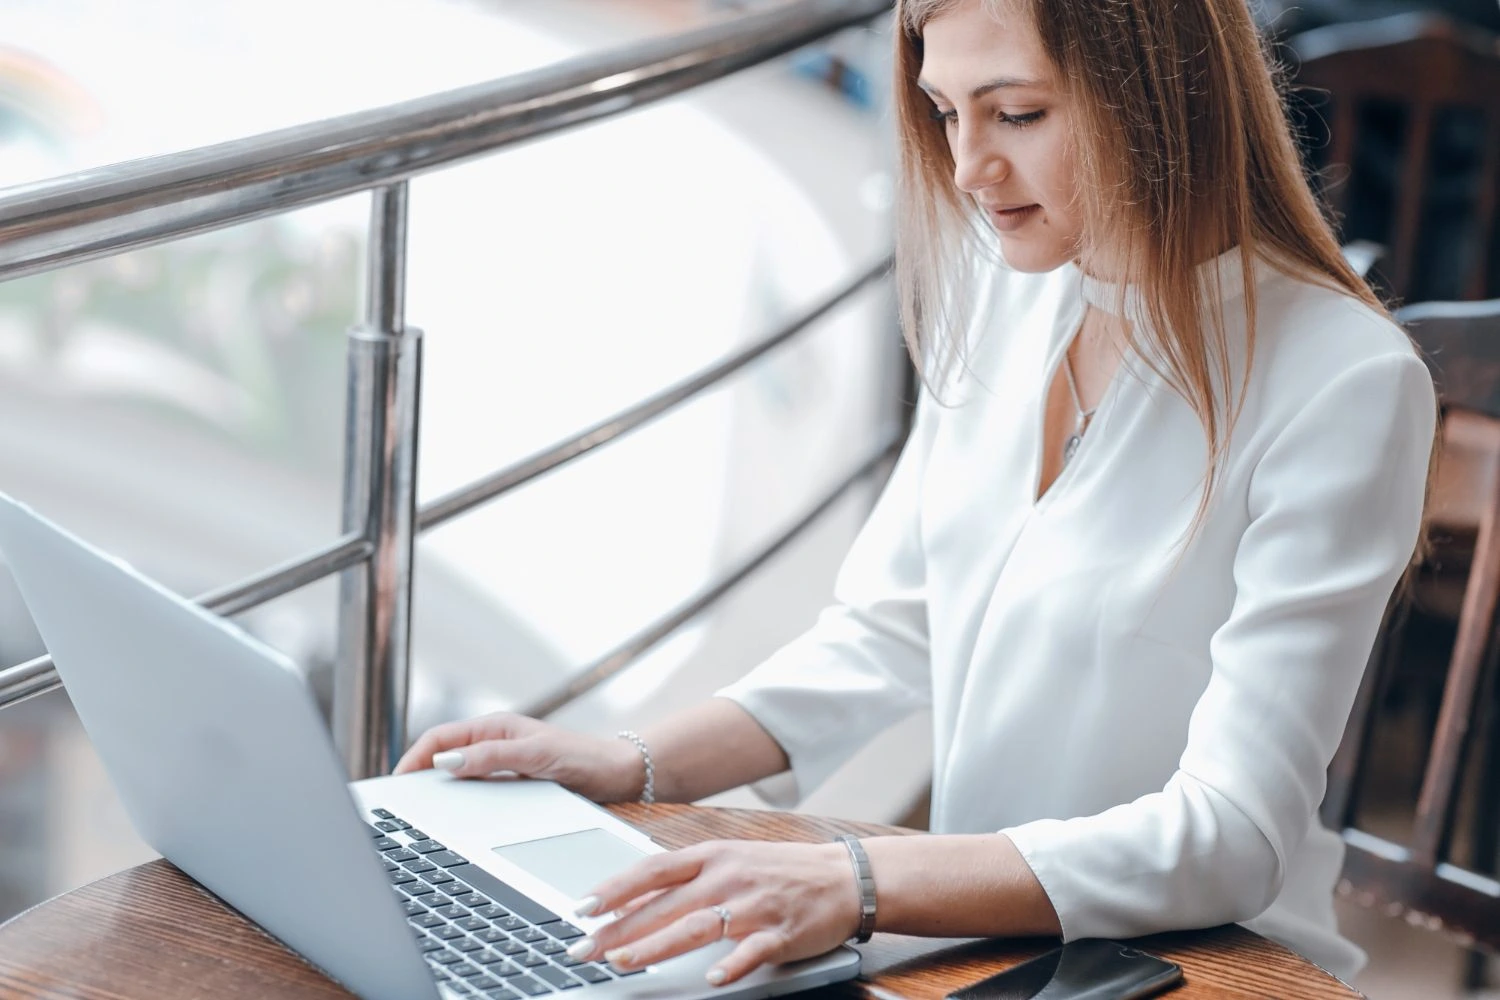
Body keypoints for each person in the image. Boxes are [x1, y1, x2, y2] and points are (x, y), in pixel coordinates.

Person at [396, 0, 1437, 987]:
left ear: (1159, 93)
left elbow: (1230, 837)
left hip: (1200, 963)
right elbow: (892, 628)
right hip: (987, 945)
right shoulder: (1013, 288)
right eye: (946, 113)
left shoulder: (1344, 381)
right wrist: (631, 761)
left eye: (1018, 113)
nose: (969, 168)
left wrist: (855, 881)